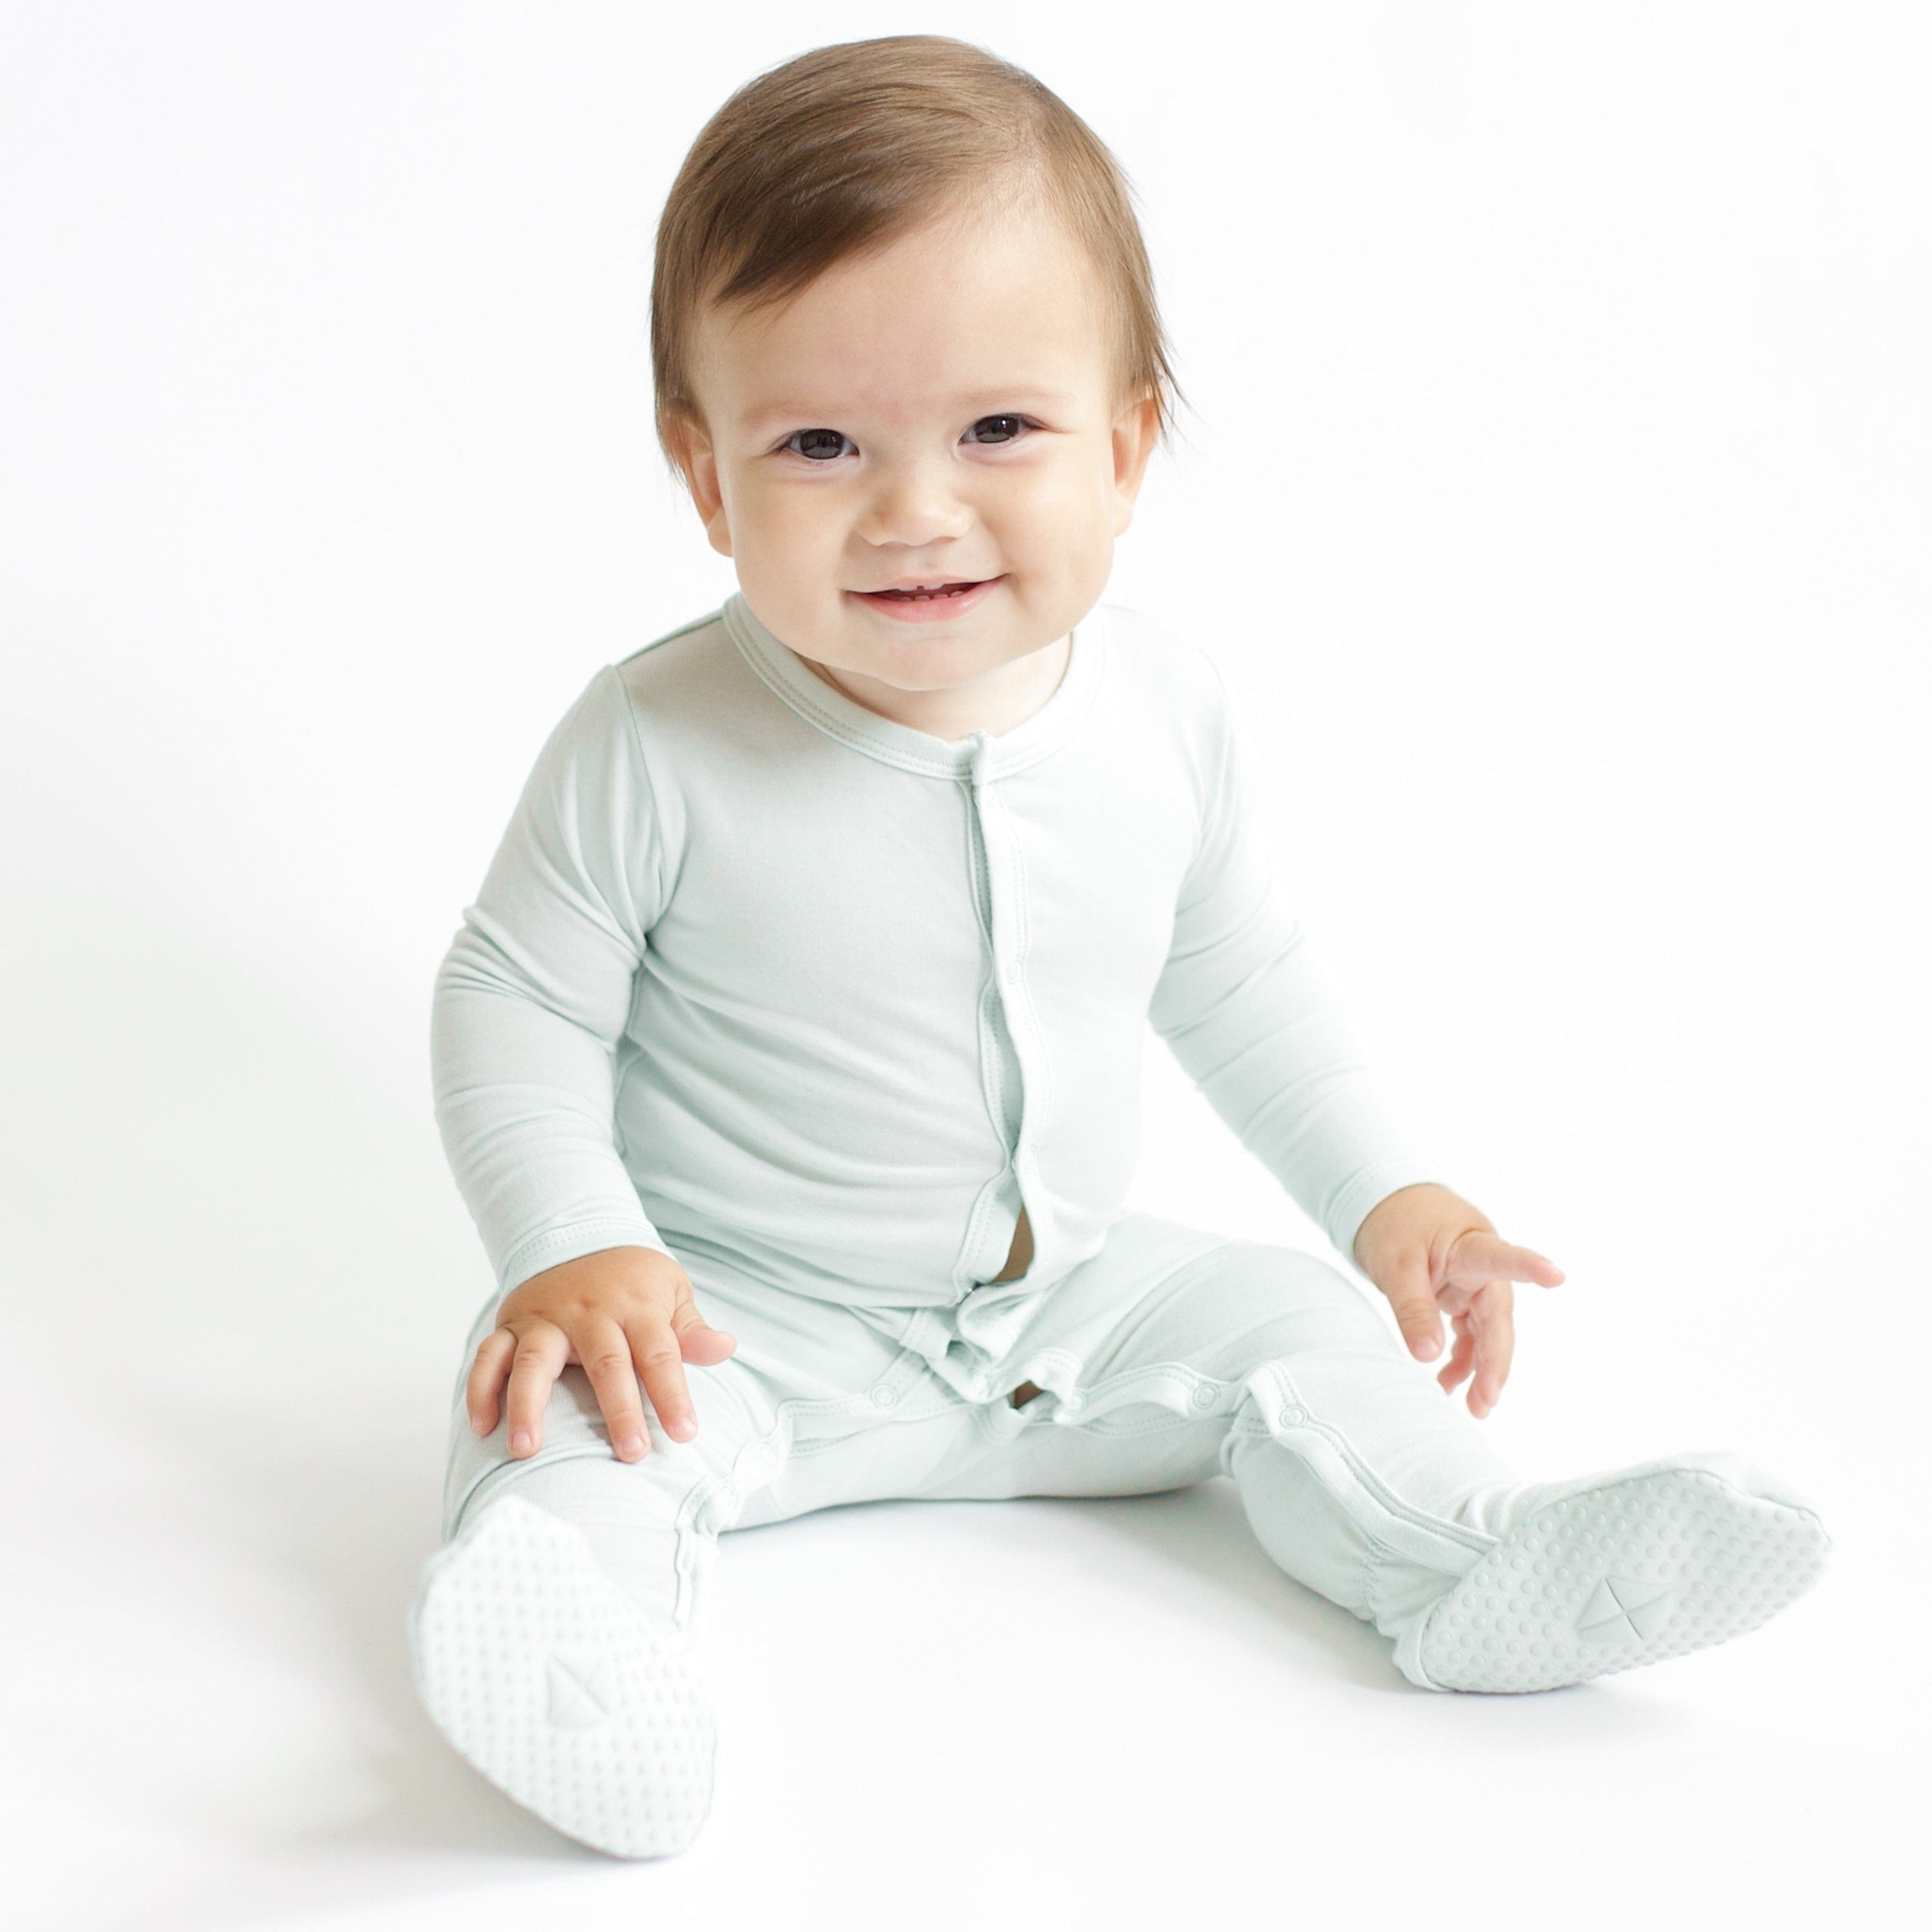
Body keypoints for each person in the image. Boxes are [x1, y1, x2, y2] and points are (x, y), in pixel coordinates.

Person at [407, 33, 1830, 1859]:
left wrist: (1389, 1200)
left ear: (1129, 440)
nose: (915, 509)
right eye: (819, 445)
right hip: (736, 1312)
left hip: (1066, 1312)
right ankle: (582, 1660)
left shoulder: (1158, 708)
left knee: (1298, 1333)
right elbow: (510, 999)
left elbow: (1234, 975)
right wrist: (577, 1247)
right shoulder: (657, 741)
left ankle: (1475, 1564)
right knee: (556, 1422)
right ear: (706, 475)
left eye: (998, 429)